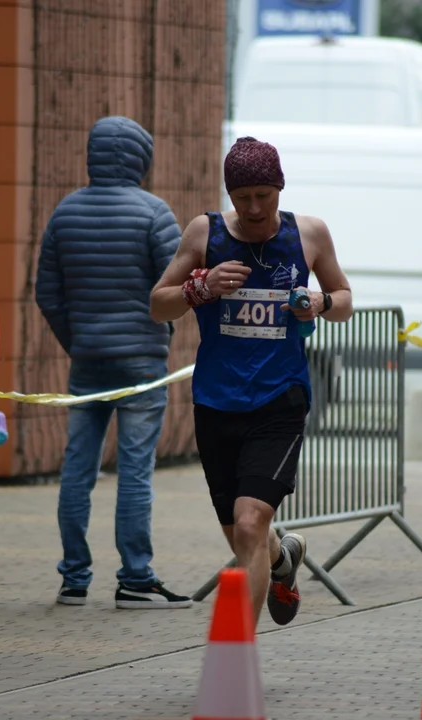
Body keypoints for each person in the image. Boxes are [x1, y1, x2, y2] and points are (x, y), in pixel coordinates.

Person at [149, 136, 354, 629]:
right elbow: (158, 303)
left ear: (280, 188)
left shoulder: (309, 234)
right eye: (244, 198)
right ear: (230, 195)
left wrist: (320, 303)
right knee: (244, 538)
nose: (256, 207)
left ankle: (239, 657)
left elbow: (344, 297)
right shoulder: (205, 233)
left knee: (249, 522)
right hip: (217, 403)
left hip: (279, 402)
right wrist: (201, 287)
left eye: (265, 194)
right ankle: (282, 562)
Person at [35, 115, 191, 609]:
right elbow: (175, 289)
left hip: (88, 363)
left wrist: (77, 340)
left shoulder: (64, 213)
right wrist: (161, 332)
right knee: (136, 471)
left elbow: (47, 293)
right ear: (140, 158)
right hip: (142, 362)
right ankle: (135, 579)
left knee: (77, 469)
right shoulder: (154, 213)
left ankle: (74, 578)